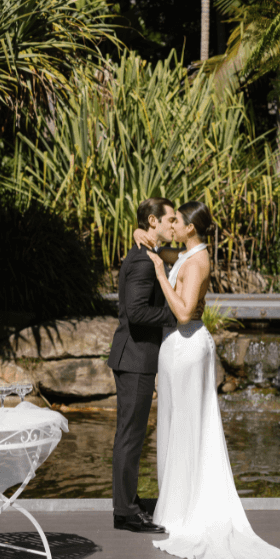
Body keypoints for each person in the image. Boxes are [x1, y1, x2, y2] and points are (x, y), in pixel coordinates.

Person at [144, 201, 280, 559]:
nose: (172, 226)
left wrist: (162, 275)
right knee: (177, 426)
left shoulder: (197, 262)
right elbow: (150, 241)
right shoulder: (191, 253)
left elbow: (183, 311)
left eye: (176, 221)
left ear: (190, 228)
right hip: (179, 347)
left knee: (189, 428)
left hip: (188, 343)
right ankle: (175, 506)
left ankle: (188, 510)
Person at [106, 197, 178, 534]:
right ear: (153, 221)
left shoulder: (147, 254)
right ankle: (126, 513)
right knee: (130, 437)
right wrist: (174, 315)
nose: (172, 225)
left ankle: (127, 504)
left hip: (135, 357)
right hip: (135, 357)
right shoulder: (142, 262)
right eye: (168, 220)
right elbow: (136, 312)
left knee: (130, 435)